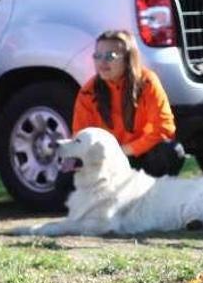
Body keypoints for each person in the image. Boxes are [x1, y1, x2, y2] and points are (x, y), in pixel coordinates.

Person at [71, 30, 185, 177]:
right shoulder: (88, 92)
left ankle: (157, 195)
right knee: (67, 174)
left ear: (128, 58)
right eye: (97, 56)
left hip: (141, 154)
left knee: (172, 150)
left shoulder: (147, 82)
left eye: (110, 56)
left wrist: (127, 150)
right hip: (107, 161)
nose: (102, 62)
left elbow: (164, 128)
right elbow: (80, 137)